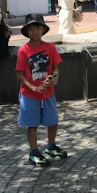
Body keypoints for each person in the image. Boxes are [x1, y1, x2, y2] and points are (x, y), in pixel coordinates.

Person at [16, 14, 66, 167]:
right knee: (32, 124)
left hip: (48, 93)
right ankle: (34, 152)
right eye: (31, 29)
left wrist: (54, 80)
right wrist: (33, 87)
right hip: (29, 95)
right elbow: (20, 74)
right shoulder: (23, 51)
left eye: (38, 28)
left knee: (53, 121)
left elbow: (56, 68)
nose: (35, 32)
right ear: (26, 31)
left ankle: (51, 146)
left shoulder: (50, 47)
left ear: (43, 29)